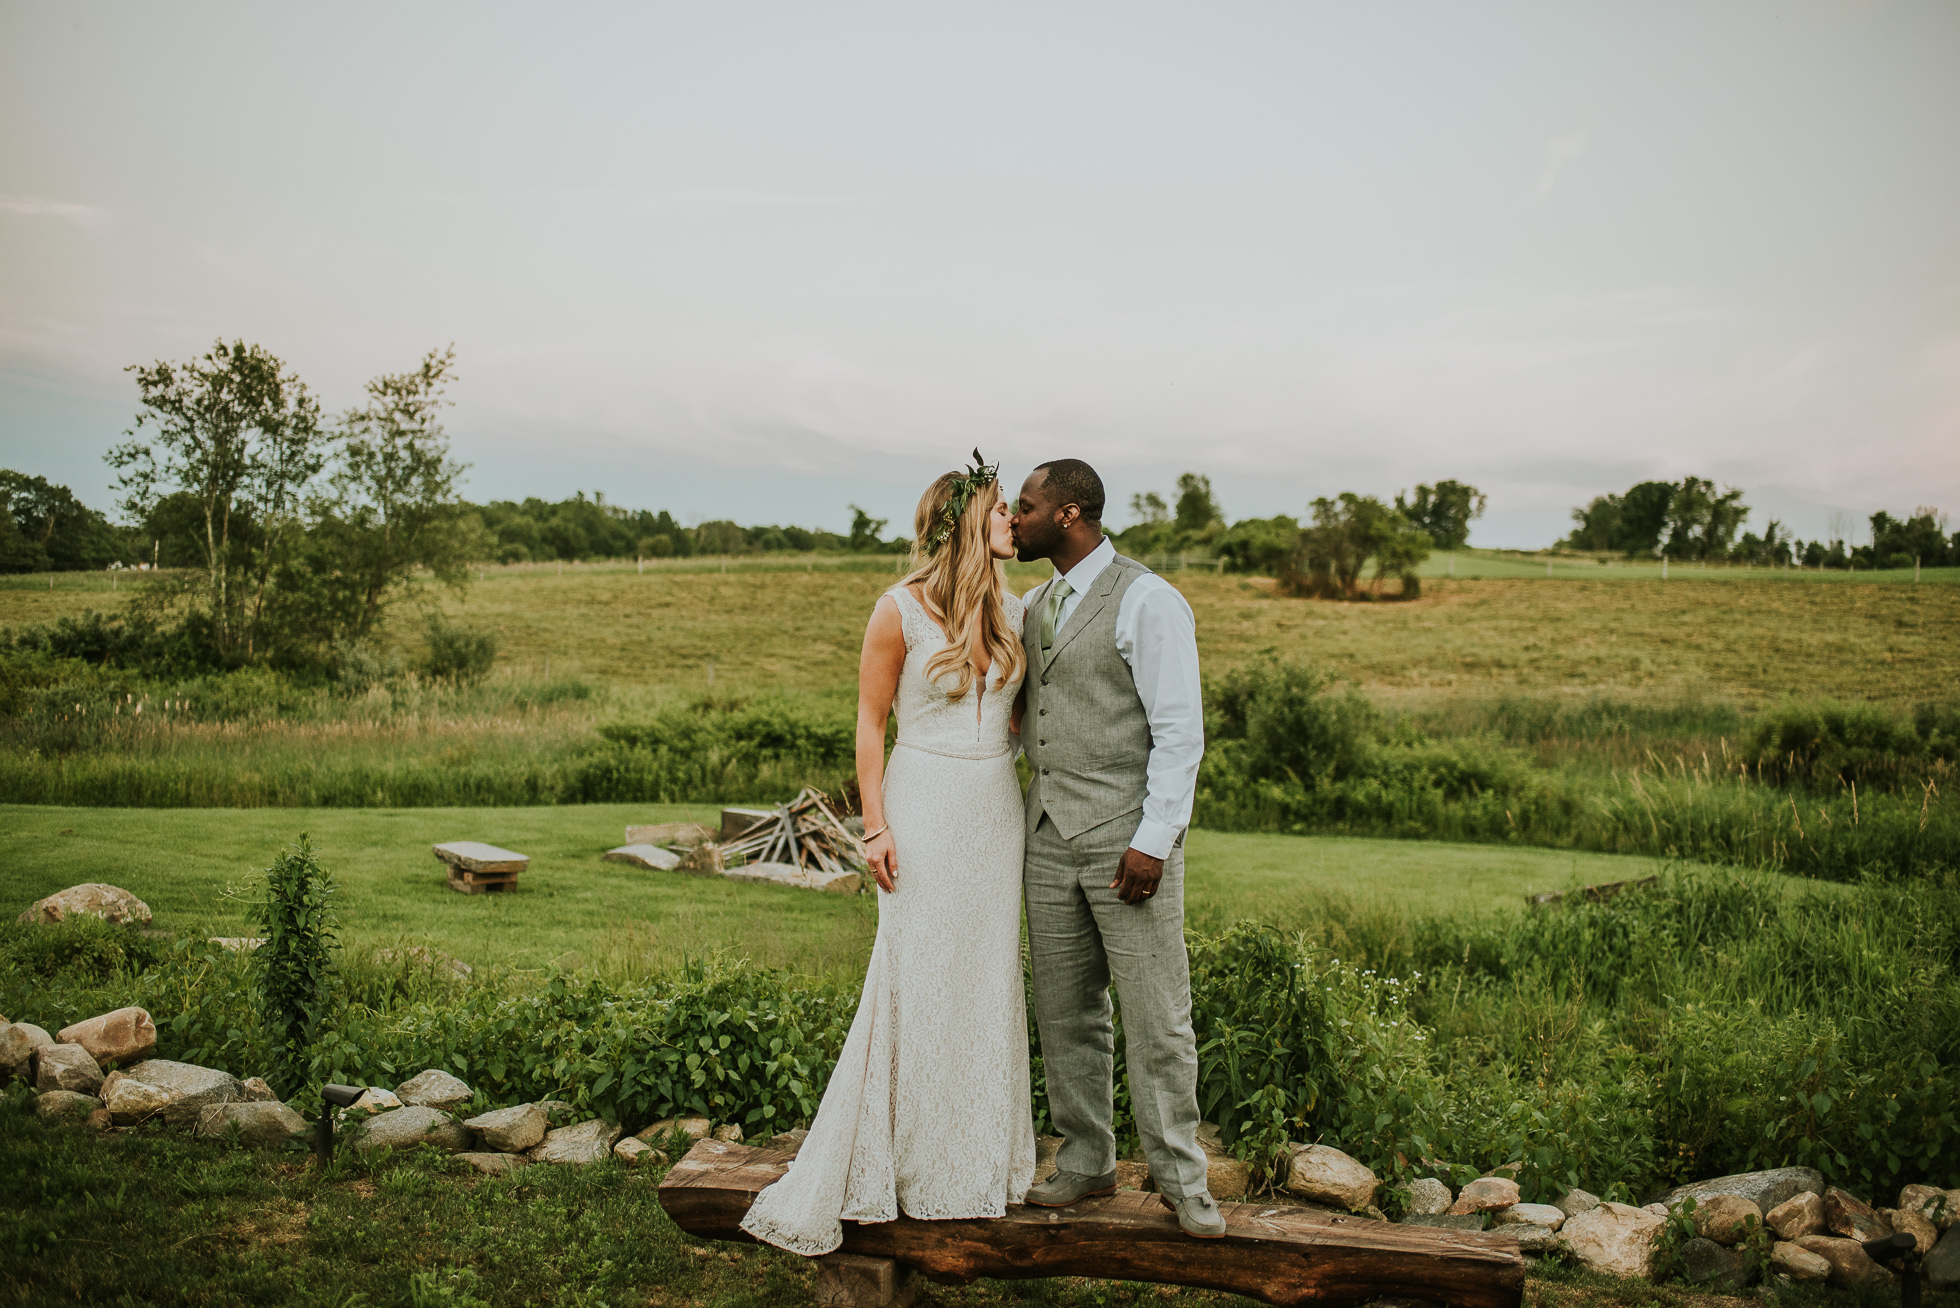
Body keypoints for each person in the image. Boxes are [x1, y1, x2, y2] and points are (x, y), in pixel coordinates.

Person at [740, 451, 1036, 1256]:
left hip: (993, 808)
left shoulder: (1015, 612)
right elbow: (870, 726)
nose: (1015, 520)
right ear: (969, 520)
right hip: (924, 805)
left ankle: (972, 1164)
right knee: (915, 974)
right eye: (1004, 509)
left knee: (983, 976)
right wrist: (873, 826)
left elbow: (1018, 722)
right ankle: (894, 1162)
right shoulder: (897, 610)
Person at [1008, 458, 1221, 1239]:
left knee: (1156, 1013)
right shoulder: (1034, 604)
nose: (1013, 517)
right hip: (1046, 837)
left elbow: (1179, 734)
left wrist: (1154, 842)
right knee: (1065, 1012)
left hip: (1127, 844)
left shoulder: (1149, 599)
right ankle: (1087, 1161)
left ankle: (1181, 1178)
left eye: (1025, 507)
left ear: (1067, 515)